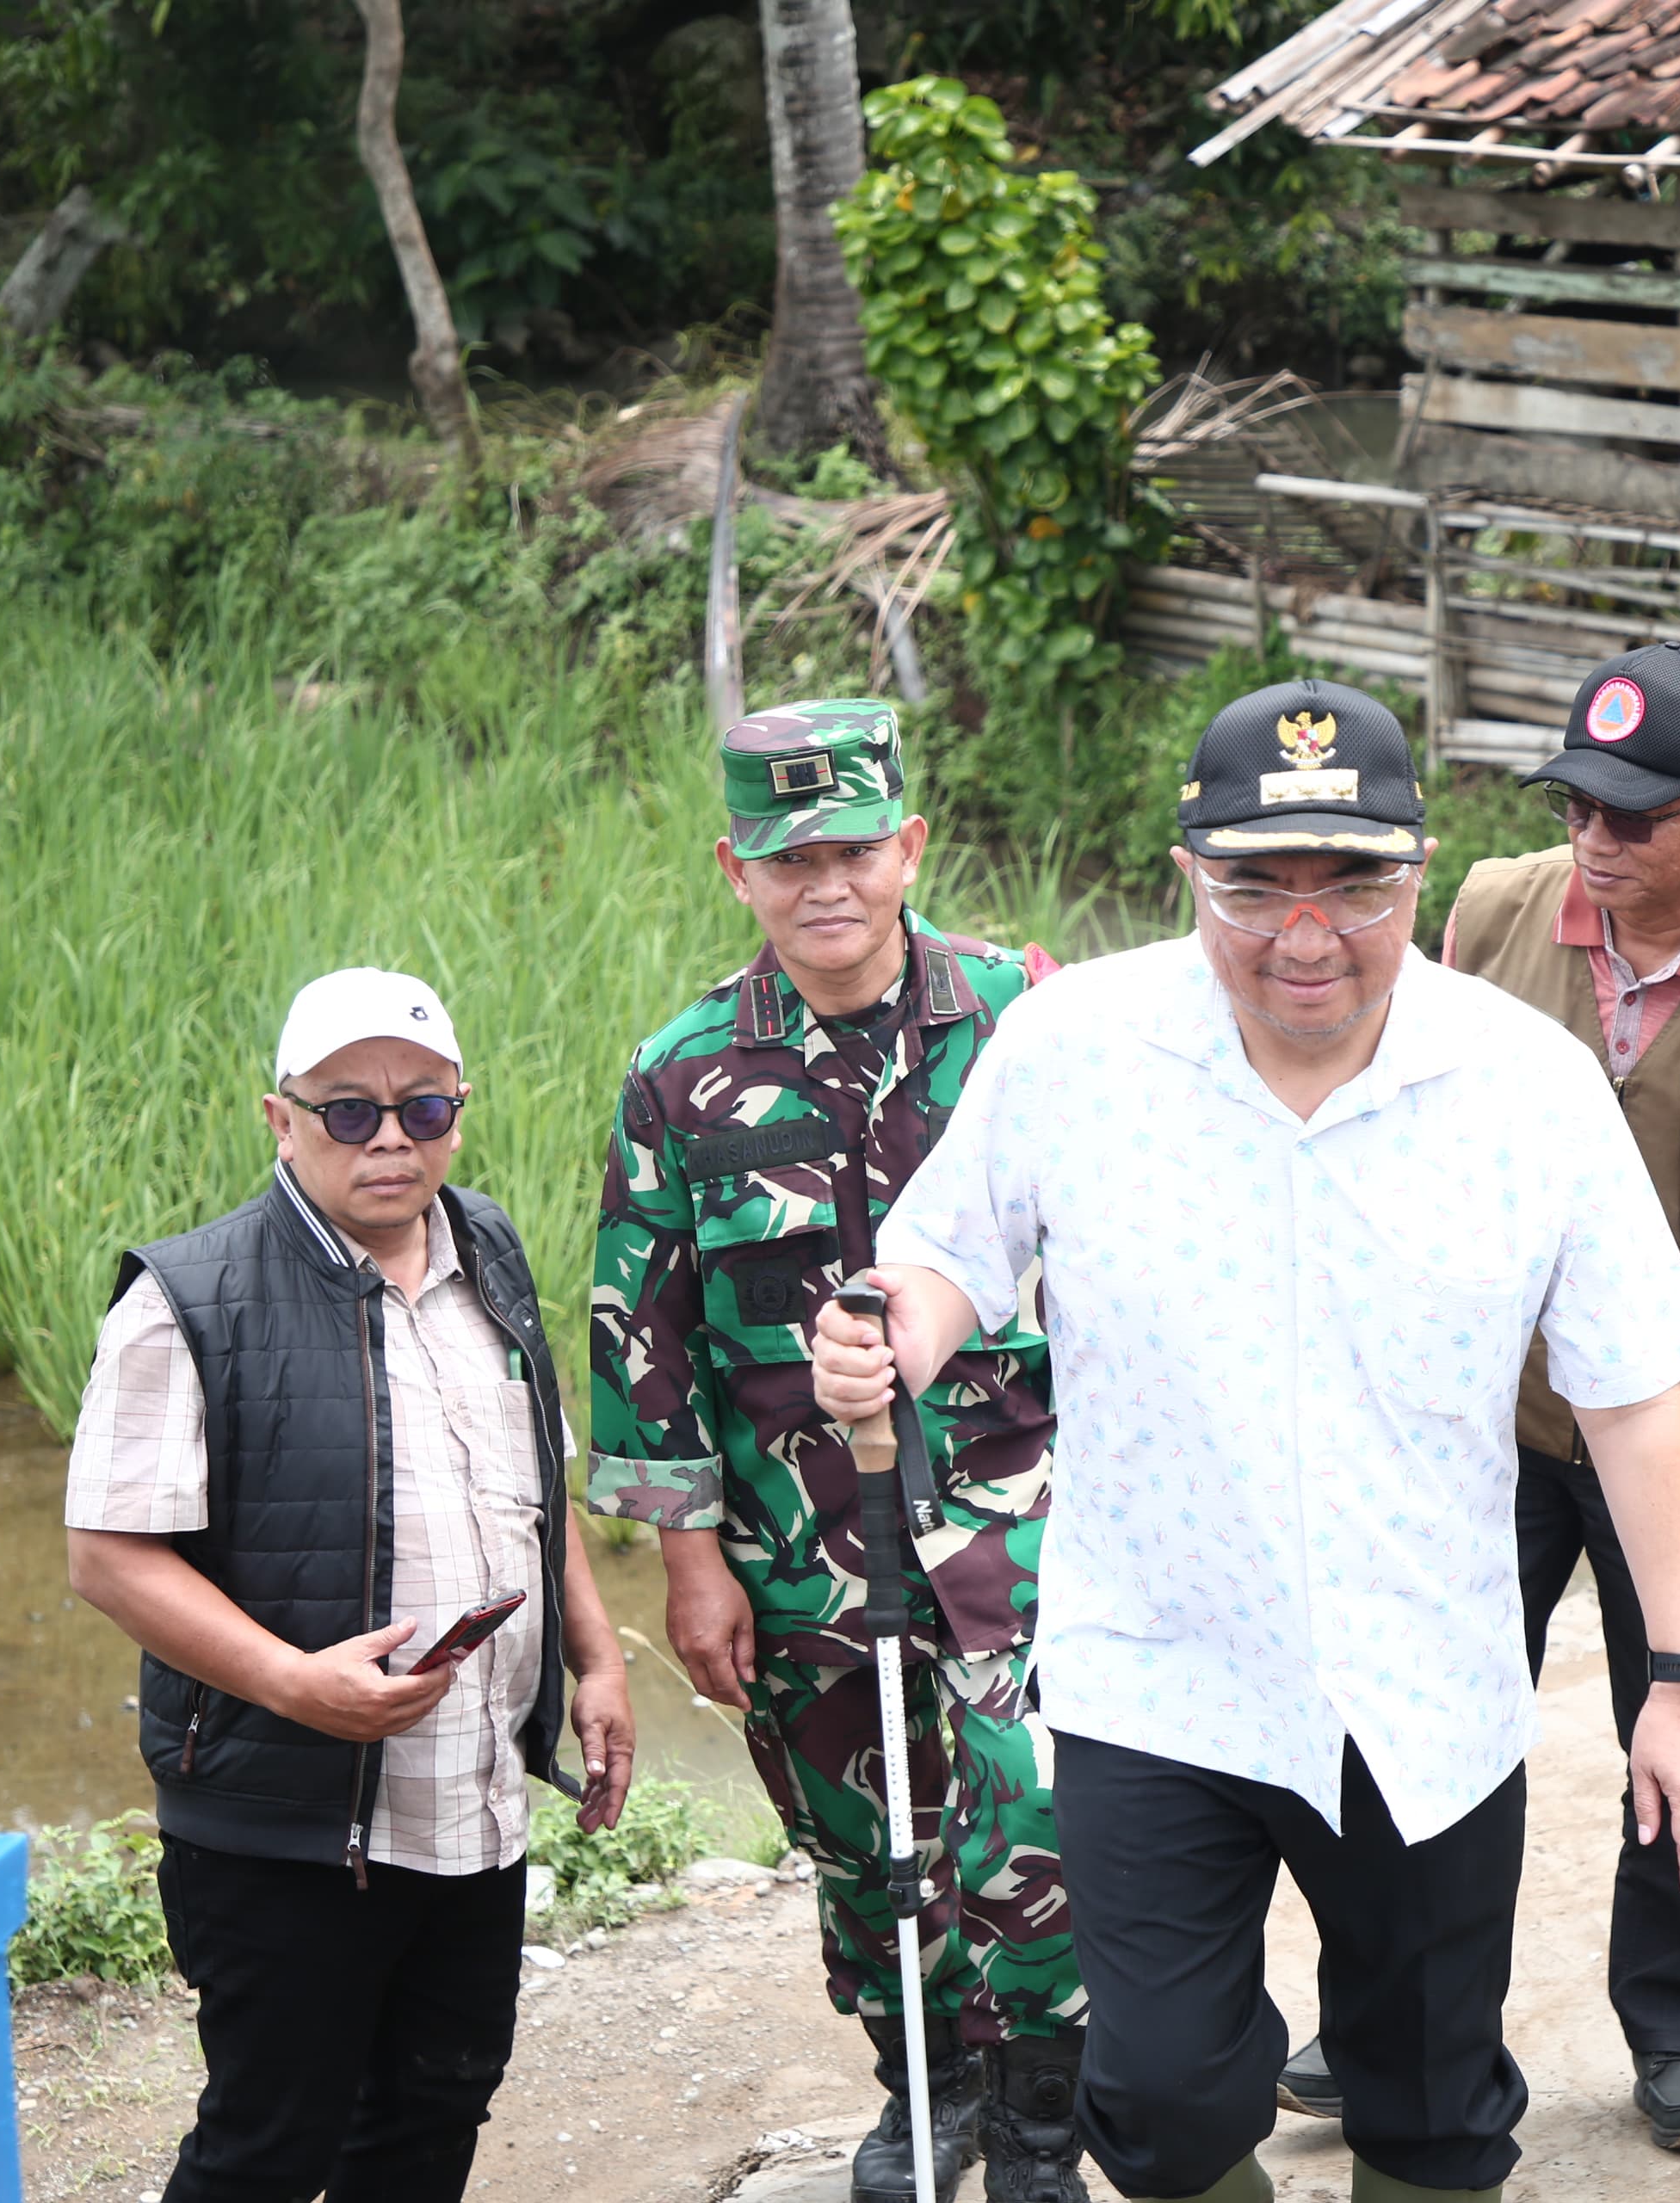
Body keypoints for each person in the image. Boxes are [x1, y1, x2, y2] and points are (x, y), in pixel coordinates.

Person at [812, 677, 1680, 2203]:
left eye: (1354, 887)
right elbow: (944, 1259)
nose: (1305, 940)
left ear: (1418, 872)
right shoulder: (1074, 1046)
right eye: (1257, 888)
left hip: (1426, 1685)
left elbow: (1634, 1394)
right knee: (1165, 2102)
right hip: (1164, 1663)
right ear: (1191, 873)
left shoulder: (1528, 1086)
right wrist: (888, 1333)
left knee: (1434, 2111)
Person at [1293, 639, 1680, 2153]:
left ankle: (1679, 2035)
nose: (1596, 842)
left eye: (1636, 816)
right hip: (1503, 1418)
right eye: (1579, 806)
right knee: (1422, 1718)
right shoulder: (1492, 911)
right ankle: (1382, 2022)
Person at [588, 700, 1087, 2203]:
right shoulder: (679, 1076)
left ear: (909, 846)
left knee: (1038, 1805)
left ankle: (1044, 2113)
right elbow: (643, 1337)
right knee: (868, 1844)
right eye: (788, 854)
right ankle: (922, 2090)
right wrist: (693, 1568)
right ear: (736, 867)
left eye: (856, 848)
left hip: (1019, 1507)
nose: (827, 883)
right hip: (801, 1533)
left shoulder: (1023, 1016)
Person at [65, 967, 637, 2203]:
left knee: (434, 2111)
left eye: (422, 1110)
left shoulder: (485, 1245)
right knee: (270, 2145)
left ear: (459, 1113)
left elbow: (535, 1480)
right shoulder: (189, 1300)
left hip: (471, 1805)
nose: (390, 1140)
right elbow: (107, 1556)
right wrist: (289, 1682)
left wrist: (597, 1658)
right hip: (290, 1826)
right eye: (349, 1111)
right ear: (282, 1119)